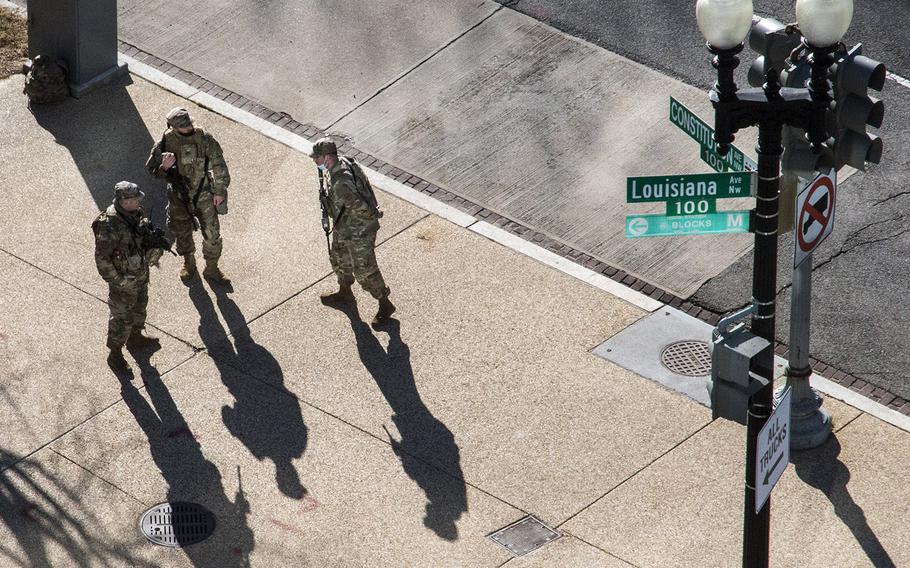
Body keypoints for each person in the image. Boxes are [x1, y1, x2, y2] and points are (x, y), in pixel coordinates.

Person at [309, 138, 396, 325]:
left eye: (317, 158)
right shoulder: (343, 162)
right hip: (344, 224)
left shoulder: (341, 182)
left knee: (365, 269)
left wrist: (373, 213)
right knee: (339, 256)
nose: (314, 161)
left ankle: (385, 303)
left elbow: (361, 206)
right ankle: (345, 292)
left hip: (359, 229)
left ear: (327, 157)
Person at [145, 107, 231, 283]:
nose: (188, 128)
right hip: (178, 196)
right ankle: (189, 263)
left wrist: (220, 191)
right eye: (183, 127)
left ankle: (211, 268)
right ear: (174, 128)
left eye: (189, 125)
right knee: (182, 232)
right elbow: (152, 170)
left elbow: (219, 165)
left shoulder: (205, 139)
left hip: (204, 193)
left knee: (212, 234)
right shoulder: (164, 143)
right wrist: (165, 167)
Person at [92, 181, 168, 370]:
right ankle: (115, 354)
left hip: (140, 273)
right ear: (125, 202)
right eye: (135, 200)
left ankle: (136, 337)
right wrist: (118, 281)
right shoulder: (109, 224)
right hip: (123, 281)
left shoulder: (136, 214)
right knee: (121, 317)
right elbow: (102, 259)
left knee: (140, 306)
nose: (139, 203)